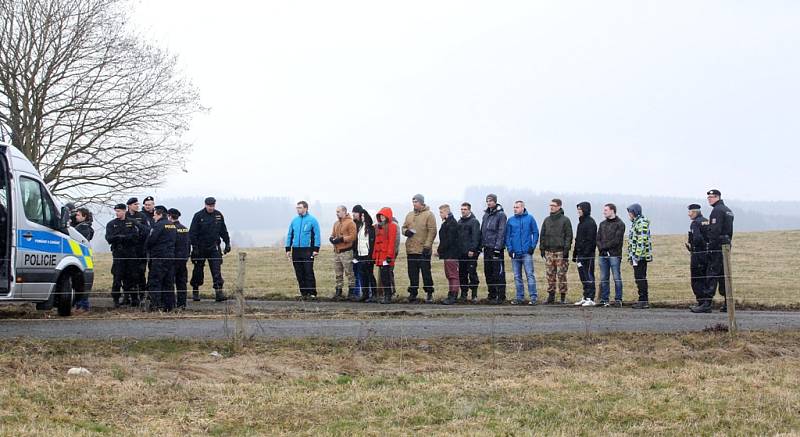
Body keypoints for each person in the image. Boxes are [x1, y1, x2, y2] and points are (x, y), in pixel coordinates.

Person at [189, 197, 232, 302]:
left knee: (216, 270)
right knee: (198, 271)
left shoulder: (218, 215)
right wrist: (194, 247)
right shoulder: (198, 216)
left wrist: (227, 243)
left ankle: (218, 292)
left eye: (212, 205)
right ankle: (195, 291)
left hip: (214, 247)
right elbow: (192, 233)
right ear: (205, 205)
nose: (211, 207)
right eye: (209, 205)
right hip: (200, 247)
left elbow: (223, 230)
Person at [699, 189, 735, 312]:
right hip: (726, 245)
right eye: (708, 197)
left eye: (712, 197)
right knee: (723, 275)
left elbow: (714, 231)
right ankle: (727, 303)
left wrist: (710, 246)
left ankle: (707, 304)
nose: (710, 199)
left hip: (717, 247)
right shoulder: (728, 210)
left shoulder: (717, 211)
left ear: (718, 197)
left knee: (712, 274)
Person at [505, 201, 539, 305]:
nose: (515, 209)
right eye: (514, 207)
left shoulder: (530, 218)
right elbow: (507, 236)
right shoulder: (510, 220)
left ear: (523, 207)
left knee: (529, 275)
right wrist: (510, 249)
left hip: (526, 253)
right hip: (515, 253)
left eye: (517, 207)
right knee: (517, 276)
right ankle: (520, 297)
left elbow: (535, 232)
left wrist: (532, 247)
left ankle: (533, 297)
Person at [285, 200, 321, 300]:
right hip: (296, 250)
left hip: (308, 250)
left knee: (308, 271)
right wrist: (288, 249)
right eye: (297, 208)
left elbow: (317, 235)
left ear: (305, 208)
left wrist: (316, 249)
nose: (298, 209)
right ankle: (304, 293)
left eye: (300, 207)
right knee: (299, 272)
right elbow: (289, 235)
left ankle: (312, 293)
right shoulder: (294, 220)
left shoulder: (312, 220)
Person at [539, 198, 572, 304]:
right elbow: (542, 235)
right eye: (550, 205)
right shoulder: (547, 220)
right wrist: (542, 248)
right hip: (549, 251)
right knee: (550, 274)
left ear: (559, 206)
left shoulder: (565, 220)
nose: (551, 207)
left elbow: (569, 236)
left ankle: (563, 296)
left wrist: (566, 249)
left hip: (560, 251)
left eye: (553, 205)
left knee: (561, 274)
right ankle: (551, 296)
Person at [105, 204, 139, 308]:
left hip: (130, 253)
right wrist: (121, 238)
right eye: (116, 211)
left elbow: (135, 237)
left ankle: (133, 299)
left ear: (124, 211)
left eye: (119, 211)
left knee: (131, 276)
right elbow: (109, 238)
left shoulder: (131, 223)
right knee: (117, 276)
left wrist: (121, 237)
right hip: (118, 254)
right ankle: (116, 299)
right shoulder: (111, 224)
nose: (117, 213)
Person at [146, 206, 177, 311]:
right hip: (170, 257)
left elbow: (151, 240)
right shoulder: (172, 225)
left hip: (159, 257)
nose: (153, 216)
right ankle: (169, 306)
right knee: (168, 282)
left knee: (155, 281)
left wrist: (146, 248)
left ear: (159, 214)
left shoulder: (158, 225)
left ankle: (155, 305)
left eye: (154, 214)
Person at [596, 204, 625, 307]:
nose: (604, 212)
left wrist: (604, 247)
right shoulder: (602, 224)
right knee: (604, 278)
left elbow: (617, 241)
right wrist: (601, 248)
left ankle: (618, 299)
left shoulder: (620, 224)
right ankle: (604, 299)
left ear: (612, 211)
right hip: (602, 255)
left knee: (616, 277)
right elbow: (598, 238)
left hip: (614, 255)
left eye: (606, 210)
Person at [481, 194, 507, 304]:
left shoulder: (501, 215)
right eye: (487, 201)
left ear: (495, 202)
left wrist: (498, 248)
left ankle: (500, 296)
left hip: (496, 249)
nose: (489, 203)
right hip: (486, 248)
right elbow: (482, 230)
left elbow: (501, 232)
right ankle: (491, 294)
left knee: (498, 273)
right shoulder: (486, 215)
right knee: (488, 272)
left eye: (491, 201)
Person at [626, 203, 653, 309]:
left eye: (630, 212)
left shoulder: (641, 223)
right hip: (636, 256)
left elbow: (641, 241)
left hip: (640, 257)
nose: (629, 214)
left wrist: (636, 256)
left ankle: (643, 300)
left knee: (640, 277)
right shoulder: (635, 223)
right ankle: (642, 299)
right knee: (638, 278)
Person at [686, 204, 711, 313]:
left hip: (698, 253)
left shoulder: (695, 223)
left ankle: (702, 302)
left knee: (697, 279)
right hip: (708, 253)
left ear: (695, 212)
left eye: (690, 212)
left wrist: (693, 247)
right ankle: (707, 302)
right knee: (706, 277)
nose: (688, 214)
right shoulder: (707, 221)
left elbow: (697, 238)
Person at [126, 197, 150, 305]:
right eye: (135, 204)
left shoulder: (142, 216)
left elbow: (147, 230)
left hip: (140, 249)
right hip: (128, 249)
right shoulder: (125, 216)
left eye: (137, 204)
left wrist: (137, 224)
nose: (137, 206)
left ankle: (142, 294)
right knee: (127, 274)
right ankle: (128, 296)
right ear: (129, 205)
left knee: (140, 273)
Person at [573, 202, 598, 307]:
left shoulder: (591, 223)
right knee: (583, 276)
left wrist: (586, 253)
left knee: (589, 276)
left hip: (588, 255)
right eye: (578, 208)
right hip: (580, 254)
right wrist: (575, 253)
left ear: (585, 209)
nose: (578, 210)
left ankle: (591, 298)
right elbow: (578, 239)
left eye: (580, 209)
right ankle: (585, 296)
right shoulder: (580, 223)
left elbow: (591, 240)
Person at [329, 206, 357, 300]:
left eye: (339, 211)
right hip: (337, 252)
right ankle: (338, 291)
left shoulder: (350, 223)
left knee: (349, 272)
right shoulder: (336, 223)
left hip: (346, 251)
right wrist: (332, 239)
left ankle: (351, 292)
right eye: (336, 212)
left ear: (344, 212)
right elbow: (333, 234)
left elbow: (353, 236)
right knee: (338, 273)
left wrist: (342, 239)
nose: (337, 213)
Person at [457, 202, 481, 303]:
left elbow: (476, 237)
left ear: (469, 210)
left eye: (465, 209)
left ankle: (474, 294)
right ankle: (463, 294)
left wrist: (472, 249)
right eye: (462, 209)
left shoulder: (474, 222)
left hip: (470, 254)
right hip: (461, 253)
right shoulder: (460, 222)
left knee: (472, 273)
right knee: (462, 274)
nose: (463, 211)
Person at [352, 205, 377, 303]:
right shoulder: (361, 227)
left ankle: (374, 294)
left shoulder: (370, 228)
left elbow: (371, 242)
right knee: (362, 275)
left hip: (368, 255)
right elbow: (359, 241)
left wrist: (371, 256)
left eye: (363, 216)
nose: (361, 218)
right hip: (360, 254)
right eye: (361, 216)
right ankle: (365, 293)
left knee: (370, 275)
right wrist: (357, 254)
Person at [373, 207, 398, 304]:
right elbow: (376, 242)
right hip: (380, 256)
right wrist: (375, 255)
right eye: (380, 215)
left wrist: (389, 256)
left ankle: (388, 296)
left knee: (386, 276)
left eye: (383, 215)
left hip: (386, 257)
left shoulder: (392, 226)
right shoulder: (379, 227)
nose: (382, 217)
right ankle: (387, 295)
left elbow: (391, 242)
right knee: (383, 277)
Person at [437, 205, 461, 305]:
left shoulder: (451, 223)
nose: (440, 214)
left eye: (441, 212)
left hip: (451, 254)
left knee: (453, 275)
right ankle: (451, 294)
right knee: (449, 275)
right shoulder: (447, 222)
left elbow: (448, 240)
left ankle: (453, 295)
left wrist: (439, 250)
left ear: (447, 212)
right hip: (447, 254)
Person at [72, 208, 94, 313]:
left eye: (78, 215)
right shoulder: (84, 226)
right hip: (83, 258)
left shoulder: (83, 228)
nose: (76, 217)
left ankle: (83, 306)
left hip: (82, 258)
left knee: (81, 282)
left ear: (84, 216)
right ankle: (81, 305)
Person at [169, 208, 191, 310]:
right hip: (182, 260)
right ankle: (182, 304)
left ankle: (172, 303)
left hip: (173, 259)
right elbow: (188, 244)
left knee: (170, 282)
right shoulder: (184, 228)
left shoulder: (170, 228)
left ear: (169, 216)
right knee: (181, 283)